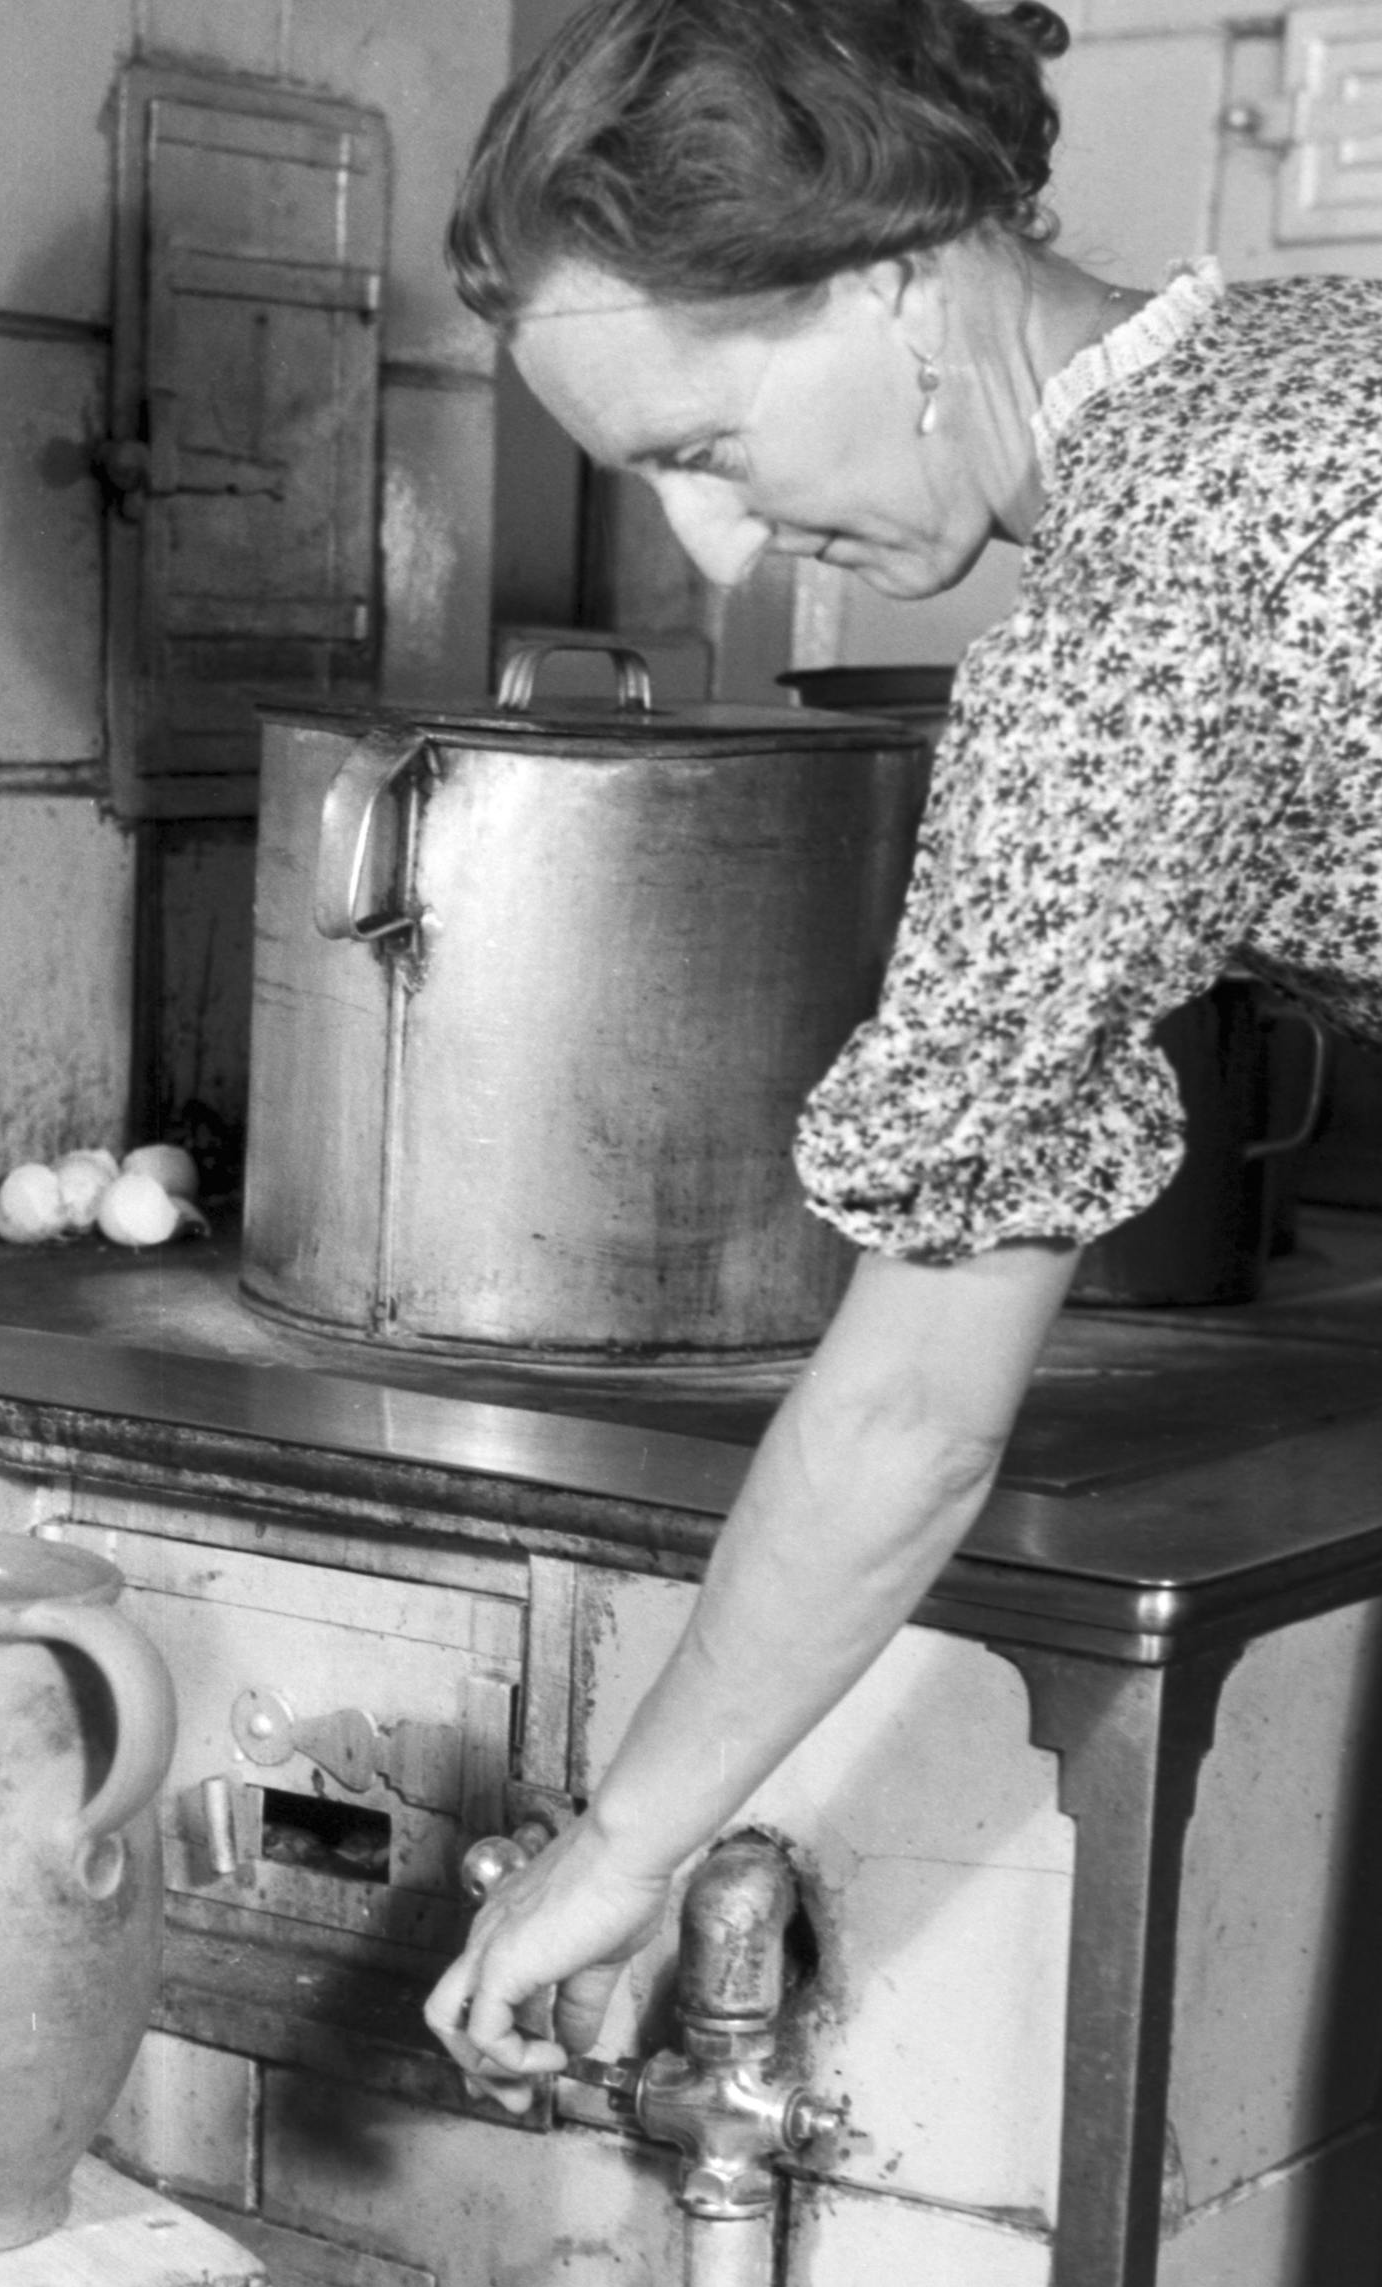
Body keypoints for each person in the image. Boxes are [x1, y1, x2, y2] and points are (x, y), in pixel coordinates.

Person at [423, 0, 1382, 2110]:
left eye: (703, 448)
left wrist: (626, 1841)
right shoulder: (1307, 362)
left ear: (892, 286)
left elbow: (908, 1420)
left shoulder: (1133, 622)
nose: (715, 554)